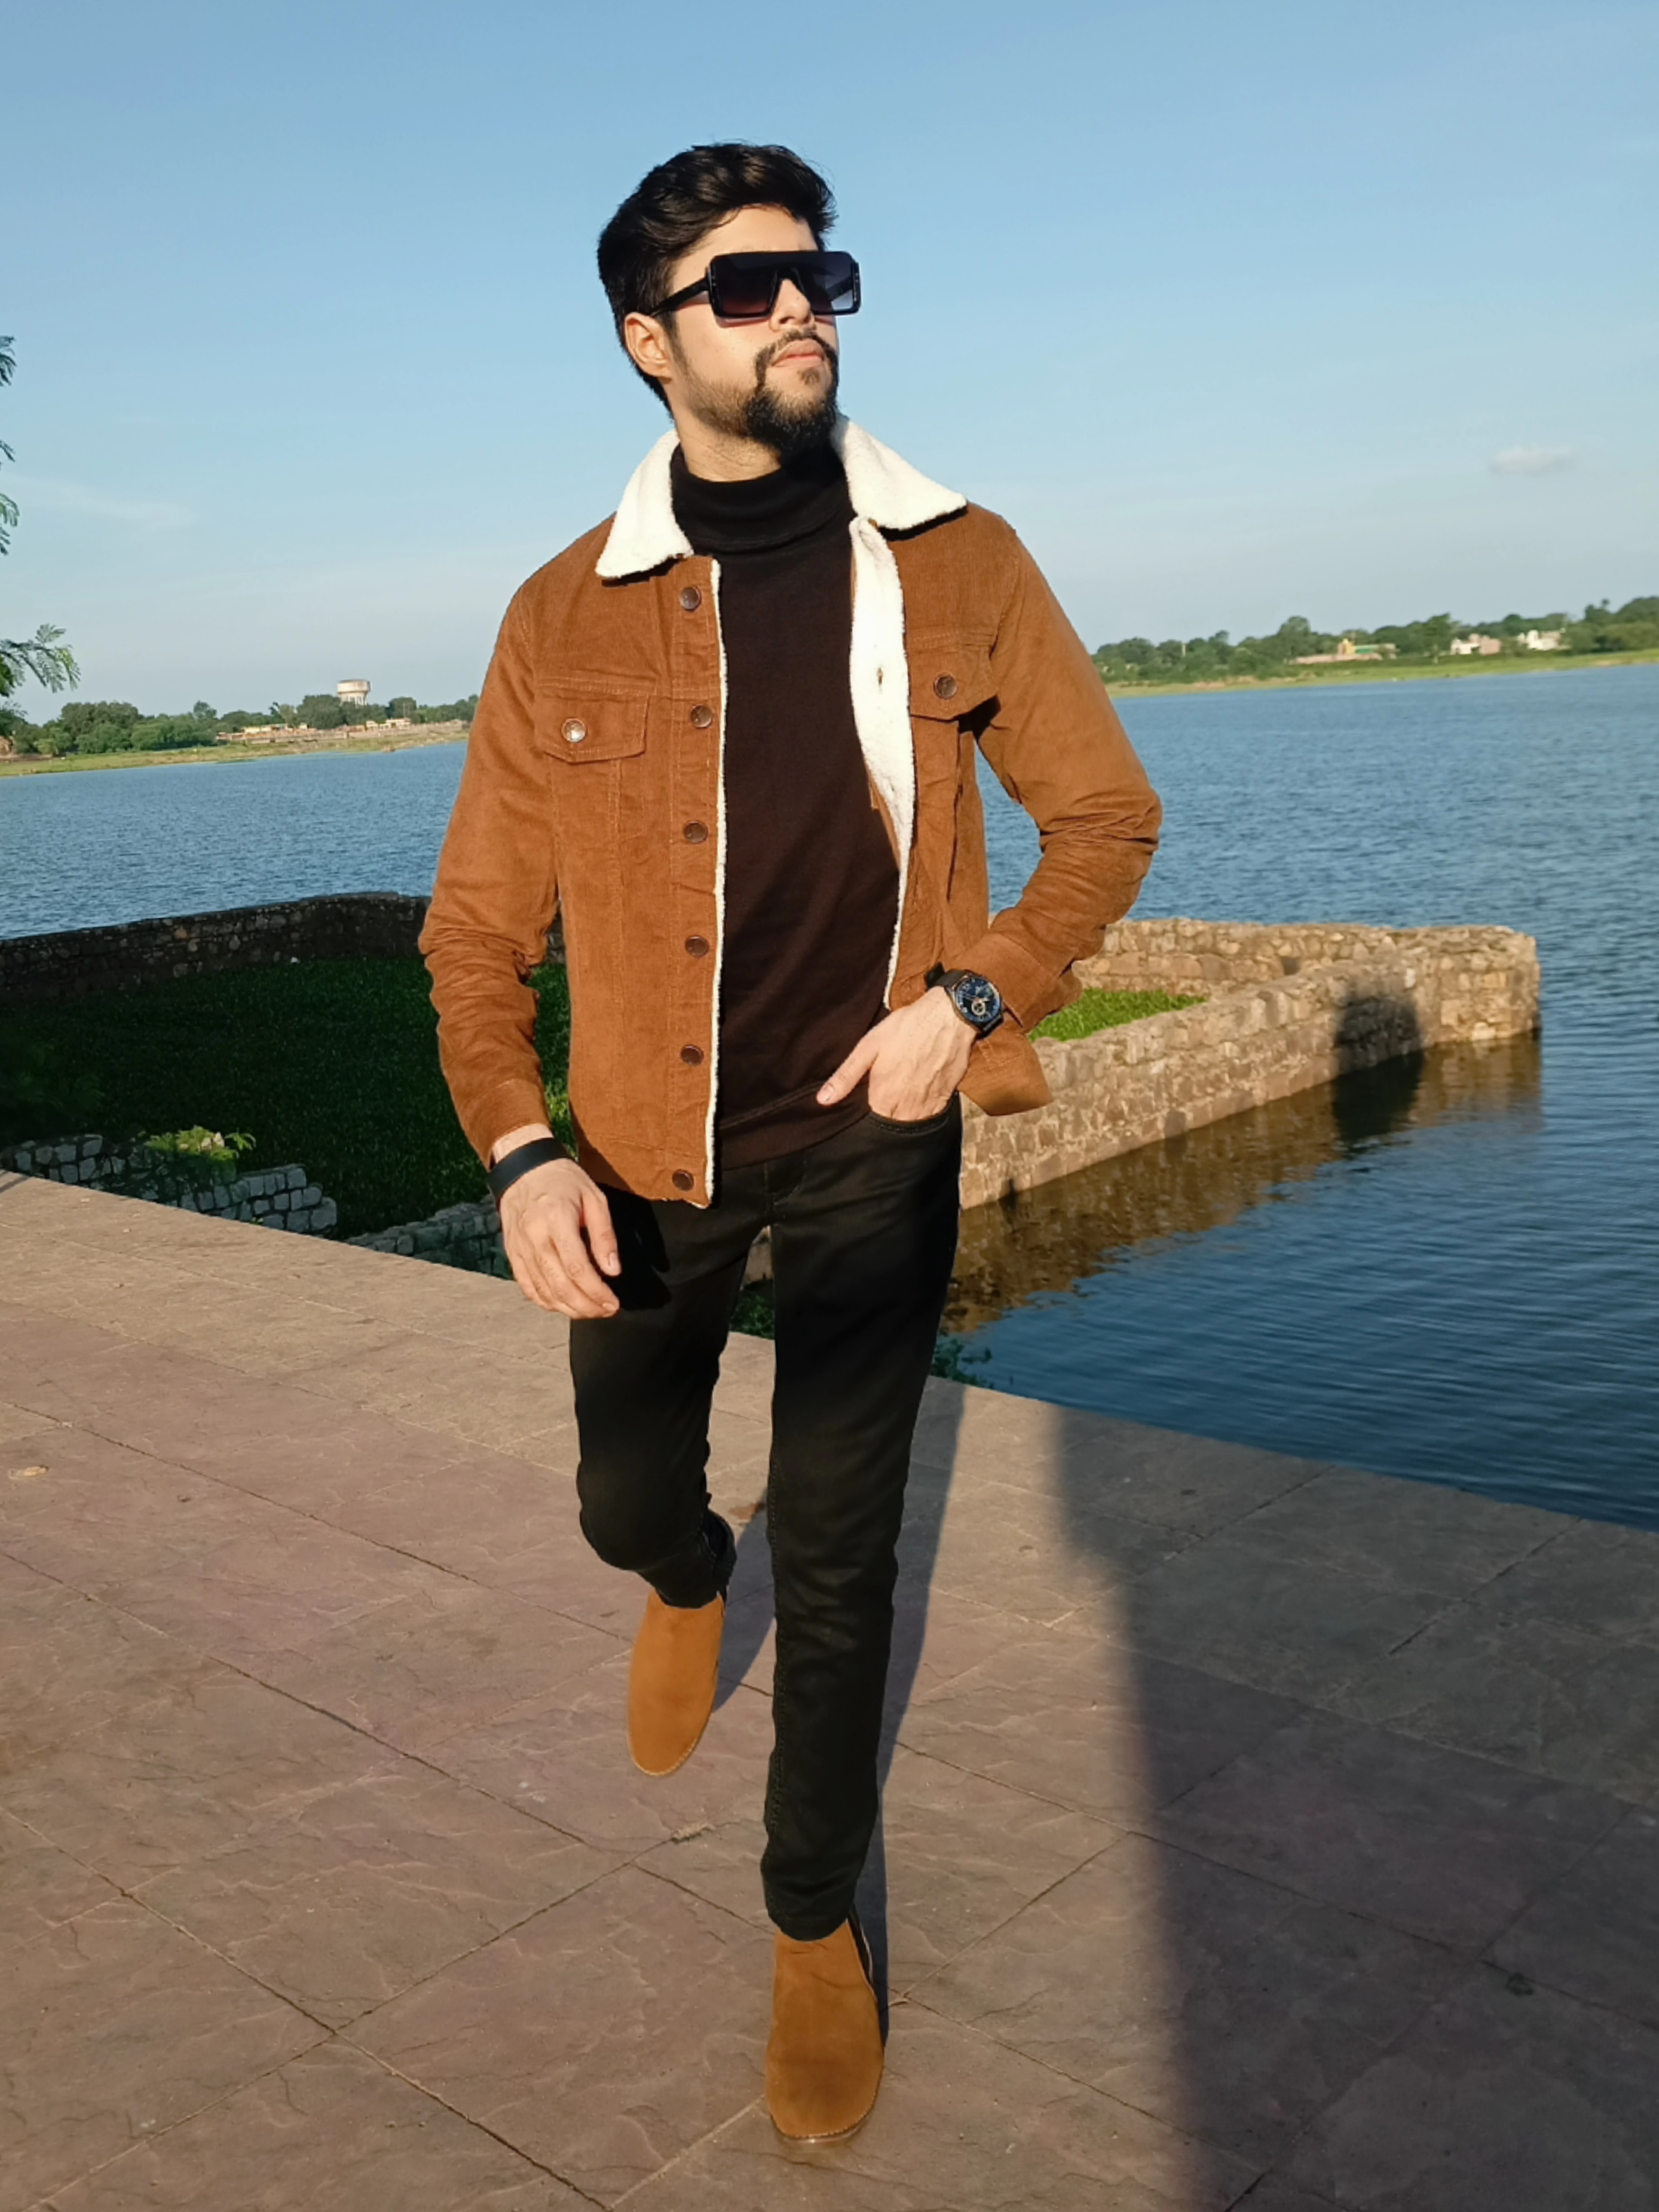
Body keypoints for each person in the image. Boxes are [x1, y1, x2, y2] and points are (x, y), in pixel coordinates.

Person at [420, 142, 1160, 2143]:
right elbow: (476, 931)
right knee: (621, 1495)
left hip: (872, 1139)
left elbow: (1106, 819)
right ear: (648, 344)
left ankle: (811, 1923)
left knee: (841, 1560)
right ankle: (680, 1576)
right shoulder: (560, 615)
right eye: (744, 290)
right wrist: (519, 1150)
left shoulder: (961, 559)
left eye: (818, 275)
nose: (799, 311)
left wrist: (971, 1004)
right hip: (638, 1152)